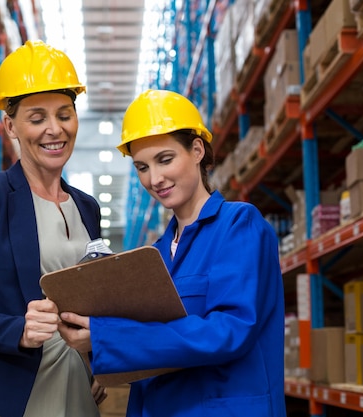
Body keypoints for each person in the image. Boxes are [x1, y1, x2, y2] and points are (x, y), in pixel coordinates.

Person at [58, 89, 286, 416]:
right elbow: (149, 348)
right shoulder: (155, 255)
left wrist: (108, 337)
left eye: (165, 160)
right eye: (142, 167)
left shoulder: (239, 225)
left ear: (196, 150)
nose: (155, 179)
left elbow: (230, 330)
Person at [0, 40, 106, 417]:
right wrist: (18, 330)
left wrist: (97, 356)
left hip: (77, 388)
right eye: (37, 118)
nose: (55, 130)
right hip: (4, 395)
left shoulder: (87, 207)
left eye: (65, 114)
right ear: (10, 125)